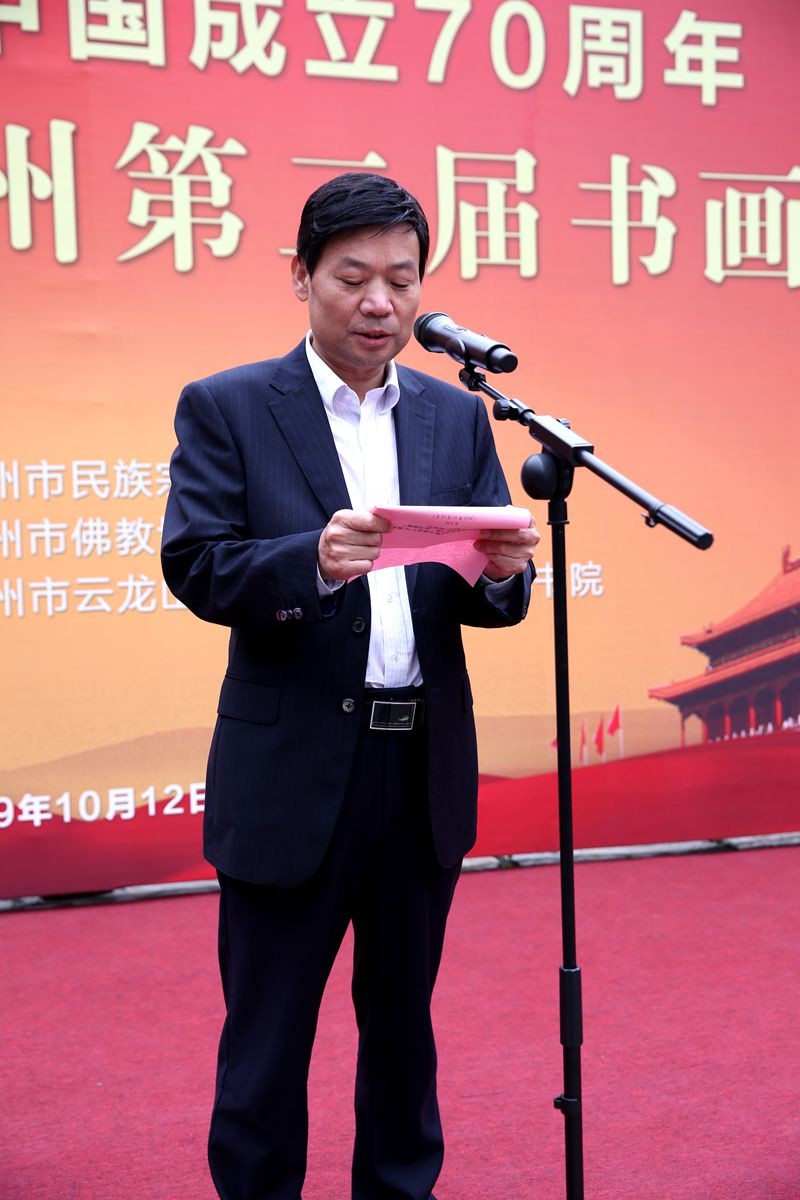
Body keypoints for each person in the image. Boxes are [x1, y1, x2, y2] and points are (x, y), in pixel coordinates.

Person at [161, 172, 539, 1200]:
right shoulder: (231, 405)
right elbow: (195, 564)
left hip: (418, 768)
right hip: (291, 773)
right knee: (267, 1045)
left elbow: (489, 588)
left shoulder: (456, 416)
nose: (380, 302)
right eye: (352, 277)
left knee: (404, 1035)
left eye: (401, 281)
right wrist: (312, 561)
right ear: (302, 277)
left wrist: (502, 576)